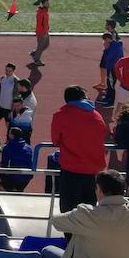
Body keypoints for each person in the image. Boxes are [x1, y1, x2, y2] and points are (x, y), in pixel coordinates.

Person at [51, 85, 107, 213]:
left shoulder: (61, 115)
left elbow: (55, 140)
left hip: (71, 169)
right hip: (92, 170)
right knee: (89, 210)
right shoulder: (96, 115)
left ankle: (70, 234)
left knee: (68, 210)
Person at [0, 127, 34, 192]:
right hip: (27, 177)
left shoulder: (8, 147)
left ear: (12, 135)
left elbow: (4, 164)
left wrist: (3, 180)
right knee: (18, 191)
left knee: (3, 186)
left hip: (15, 176)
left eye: (9, 133)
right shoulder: (28, 147)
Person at [98, 31, 124, 107]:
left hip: (113, 68)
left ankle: (111, 101)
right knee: (109, 84)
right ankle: (108, 97)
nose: (104, 43)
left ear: (108, 39)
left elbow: (114, 58)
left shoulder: (114, 47)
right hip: (110, 68)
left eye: (105, 40)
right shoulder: (112, 45)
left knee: (111, 85)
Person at [30, 0, 50, 66]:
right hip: (41, 33)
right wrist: (43, 33)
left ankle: (35, 53)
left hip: (45, 31)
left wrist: (47, 28)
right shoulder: (41, 12)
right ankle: (36, 60)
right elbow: (40, 24)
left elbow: (45, 22)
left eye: (48, 3)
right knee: (41, 46)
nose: (48, 4)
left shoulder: (45, 10)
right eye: (47, 3)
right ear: (43, 4)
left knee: (46, 45)